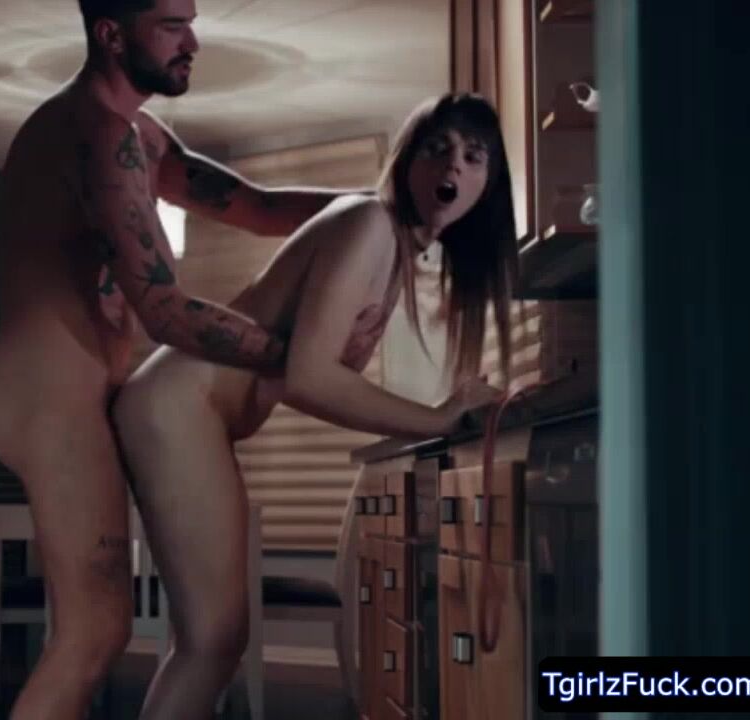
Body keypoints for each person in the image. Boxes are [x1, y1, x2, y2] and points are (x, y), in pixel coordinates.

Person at [0, 1, 359, 717]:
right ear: (111, 34)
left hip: (91, 390)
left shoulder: (142, 137)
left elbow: (259, 208)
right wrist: (297, 358)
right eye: (171, 25)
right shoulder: (93, 134)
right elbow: (164, 311)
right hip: (47, 389)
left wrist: (379, 207)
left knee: (153, 630)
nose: (193, 42)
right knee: (91, 634)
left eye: (191, 20)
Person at [111, 92, 518, 719]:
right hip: (177, 405)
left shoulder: (391, 248)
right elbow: (309, 378)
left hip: (189, 410)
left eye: (474, 156)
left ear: (487, 185)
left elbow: (298, 374)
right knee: (212, 641)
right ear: (408, 160)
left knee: (215, 640)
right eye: (438, 148)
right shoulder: (369, 222)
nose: (453, 166)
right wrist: (439, 418)